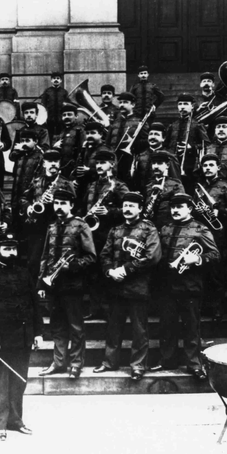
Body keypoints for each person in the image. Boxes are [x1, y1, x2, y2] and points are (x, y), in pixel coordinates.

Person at [0, 233, 43, 441]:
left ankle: (15, 421)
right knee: (2, 382)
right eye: (6, 249)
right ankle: (0, 424)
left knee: (19, 381)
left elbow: (34, 305)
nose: (11, 253)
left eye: (13, 249)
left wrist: (38, 333)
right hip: (2, 340)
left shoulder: (24, 274)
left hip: (23, 337)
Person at [94, 191, 160, 380]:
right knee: (113, 328)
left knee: (139, 330)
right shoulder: (115, 230)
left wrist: (126, 270)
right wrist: (109, 271)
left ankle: (138, 366)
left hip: (138, 287)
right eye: (125, 206)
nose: (128, 209)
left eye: (132, 206)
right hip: (116, 287)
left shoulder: (149, 229)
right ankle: (109, 362)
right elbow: (104, 255)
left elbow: (152, 256)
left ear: (140, 208)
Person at [154, 193, 219, 380]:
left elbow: (215, 255)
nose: (175, 210)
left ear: (189, 209)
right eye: (173, 207)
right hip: (167, 284)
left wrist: (197, 258)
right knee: (167, 324)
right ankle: (168, 360)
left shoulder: (200, 228)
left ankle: (194, 364)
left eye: (180, 207)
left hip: (190, 285)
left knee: (191, 326)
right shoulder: (165, 228)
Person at [37, 189, 96, 379]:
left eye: (63, 203)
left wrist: (72, 266)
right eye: (56, 203)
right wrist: (41, 283)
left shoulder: (81, 226)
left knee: (75, 326)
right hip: (54, 287)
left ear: (71, 205)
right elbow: (45, 256)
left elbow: (91, 257)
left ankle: (76, 363)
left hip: (73, 286)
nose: (59, 207)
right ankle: (59, 362)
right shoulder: (52, 226)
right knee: (57, 326)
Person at [79, 149, 129, 320]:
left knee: (107, 270)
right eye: (97, 163)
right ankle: (95, 308)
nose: (98, 166)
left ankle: (110, 311)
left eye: (103, 163)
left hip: (110, 235)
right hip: (91, 235)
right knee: (92, 272)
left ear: (112, 164)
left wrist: (109, 211)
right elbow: (83, 207)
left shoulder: (119, 186)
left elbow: (128, 210)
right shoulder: (92, 185)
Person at [193, 154, 227, 320]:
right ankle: (204, 307)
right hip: (200, 234)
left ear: (218, 168)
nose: (207, 168)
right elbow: (193, 209)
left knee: (216, 272)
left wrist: (218, 212)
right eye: (205, 165)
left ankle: (217, 309)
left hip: (218, 235)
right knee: (201, 271)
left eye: (211, 165)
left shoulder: (225, 187)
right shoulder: (199, 188)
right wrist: (197, 211)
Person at [19, 149, 75, 278]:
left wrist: (55, 203)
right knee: (34, 262)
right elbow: (23, 198)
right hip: (37, 228)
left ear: (60, 163)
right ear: (44, 164)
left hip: (58, 228)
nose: (53, 164)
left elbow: (75, 207)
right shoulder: (36, 181)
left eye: (56, 161)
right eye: (50, 161)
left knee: (53, 262)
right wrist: (28, 207)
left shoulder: (66, 183)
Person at [165, 93, 210, 193]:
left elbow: (206, 145)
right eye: (180, 104)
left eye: (185, 104)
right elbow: (165, 145)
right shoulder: (173, 125)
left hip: (190, 167)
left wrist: (191, 147)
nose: (182, 107)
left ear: (192, 106)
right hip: (172, 166)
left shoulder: (197, 124)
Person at [9, 128, 44, 233]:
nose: (24, 143)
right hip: (16, 197)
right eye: (22, 141)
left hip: (29, 199)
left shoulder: (40, 157)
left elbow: (38, 180)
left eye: (27, 141)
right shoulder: (20, 155)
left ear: (36, 141)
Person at [108, 92, 149, 181]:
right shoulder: (115, 122)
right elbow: (108, 142)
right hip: (113, 161)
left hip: (129, 161)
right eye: (120, 102)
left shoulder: (140, 122)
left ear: (133, 104)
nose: (122, 105)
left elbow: (146, 142)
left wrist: (133, 146)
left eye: (125, 102)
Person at [131, 122, 180, 192]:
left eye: (156, 134)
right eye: (150, 134)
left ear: (163, 138)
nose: (152, 137)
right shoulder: (140, 156)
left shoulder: (170, 157)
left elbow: (175, 181)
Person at [143, 151, 185, 231]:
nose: (155, 166)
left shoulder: (176, 185)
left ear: (167, 165)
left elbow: (180, 206)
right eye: (154, 163)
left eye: (159, 163)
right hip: (150, 228)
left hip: (168, 228)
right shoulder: (148, 185)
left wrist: (161, 193)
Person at [51, 104, 86, 177]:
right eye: (64, 115)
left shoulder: (81, 131)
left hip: (74, 168)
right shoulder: (62, 131)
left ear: (76, 116)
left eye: (69, 114)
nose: (66, 117)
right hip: (62, 167)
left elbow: (83, 150)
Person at [40, 71, 69, 136]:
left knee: (61, 133)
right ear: (51, 80)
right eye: (54, 78)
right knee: (49, 133)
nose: (56, 80)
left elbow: (67, 104)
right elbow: (43, 104)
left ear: (61, 80)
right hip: (50, 117)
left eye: (58, 78)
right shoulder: (47, 91)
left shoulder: (64, 92)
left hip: (61, 117)